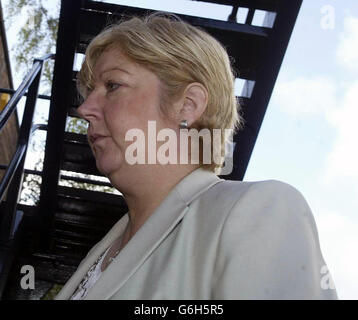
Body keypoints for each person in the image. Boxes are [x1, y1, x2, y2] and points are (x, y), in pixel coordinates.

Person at [55, 12, 337, 300]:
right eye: (89, 93)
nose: (85, 108)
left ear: (187, 106)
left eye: (112, 86)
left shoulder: (258, 210)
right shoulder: (100, 253)